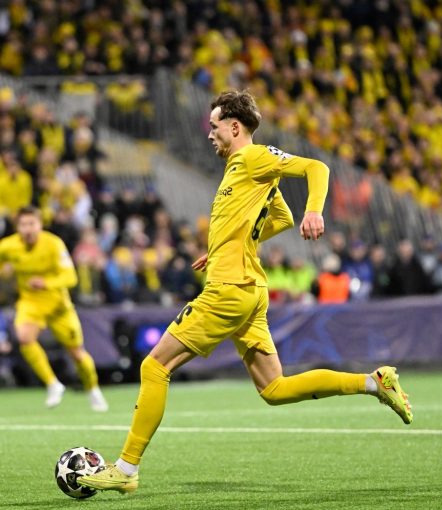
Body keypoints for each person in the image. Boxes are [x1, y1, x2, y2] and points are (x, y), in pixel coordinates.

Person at [79, 90, 412, 494]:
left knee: (154, 367)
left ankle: (126, 469)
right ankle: (374, 382)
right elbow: (280, 217)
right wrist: (224, 246)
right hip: (250, 289)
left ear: (234, 127)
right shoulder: (244, 169)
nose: (209, 134)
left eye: (214, 126)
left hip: (229, 290)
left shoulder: (253, 158)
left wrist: (314, 210)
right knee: (274, 388)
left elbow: (317, 167)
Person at [0, 206, 108, 411]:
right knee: (24, 338)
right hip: (30, 302)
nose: (28, 229)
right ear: (17, 227)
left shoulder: (53, 244)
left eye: (31, 224)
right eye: (23, 225)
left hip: (58, 305)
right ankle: (53, 384)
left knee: (77, 354)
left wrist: (46, 283)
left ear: (40, 224)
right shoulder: (8, 246)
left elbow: (71, 277)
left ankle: (93, 388)